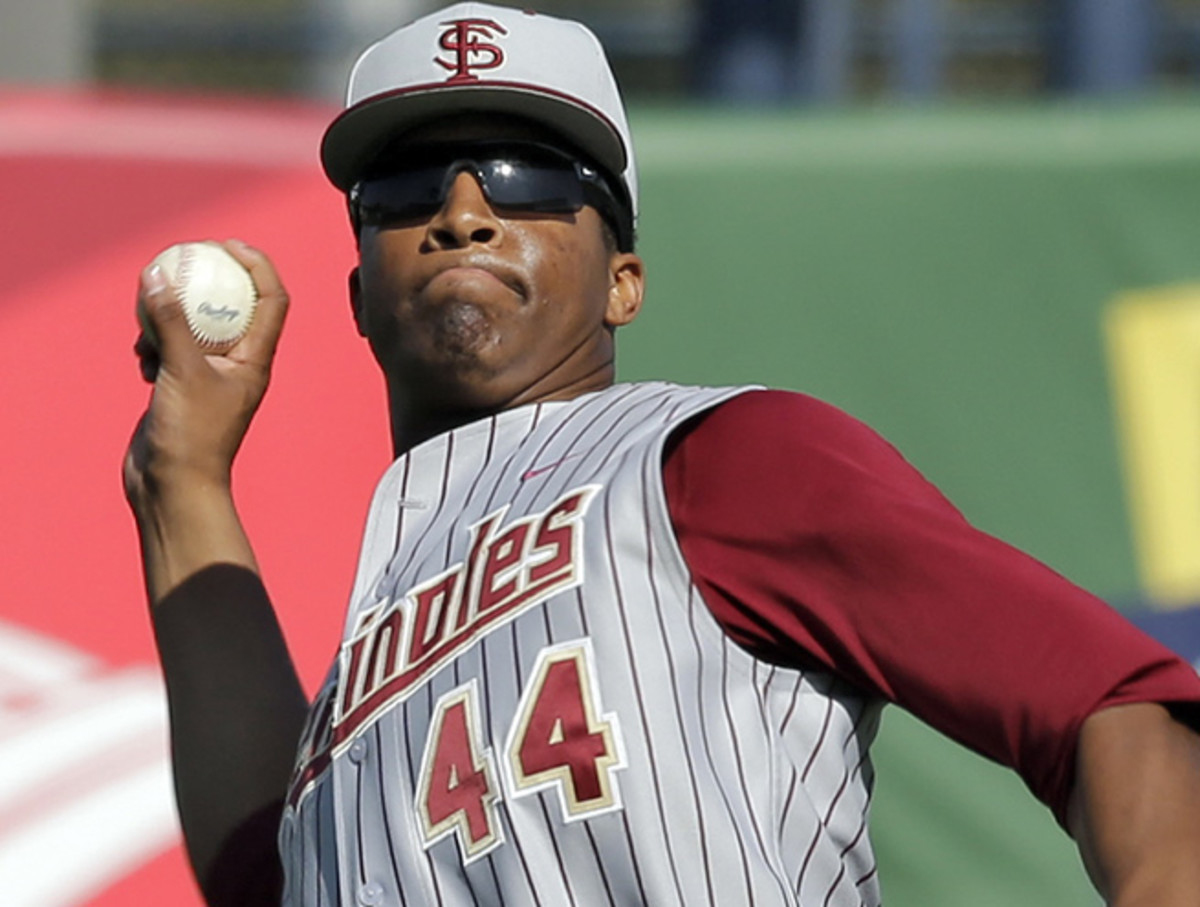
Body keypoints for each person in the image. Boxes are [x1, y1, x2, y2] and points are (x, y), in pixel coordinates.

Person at [124, 3, 1200, 906]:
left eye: (526, 174)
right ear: (359, 298)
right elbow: (269, 877)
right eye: (406, 188)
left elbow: (1104, 702)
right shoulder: (367, 663)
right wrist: (179, 482)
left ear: (622, 282)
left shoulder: (720, 459)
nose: (463, 211)